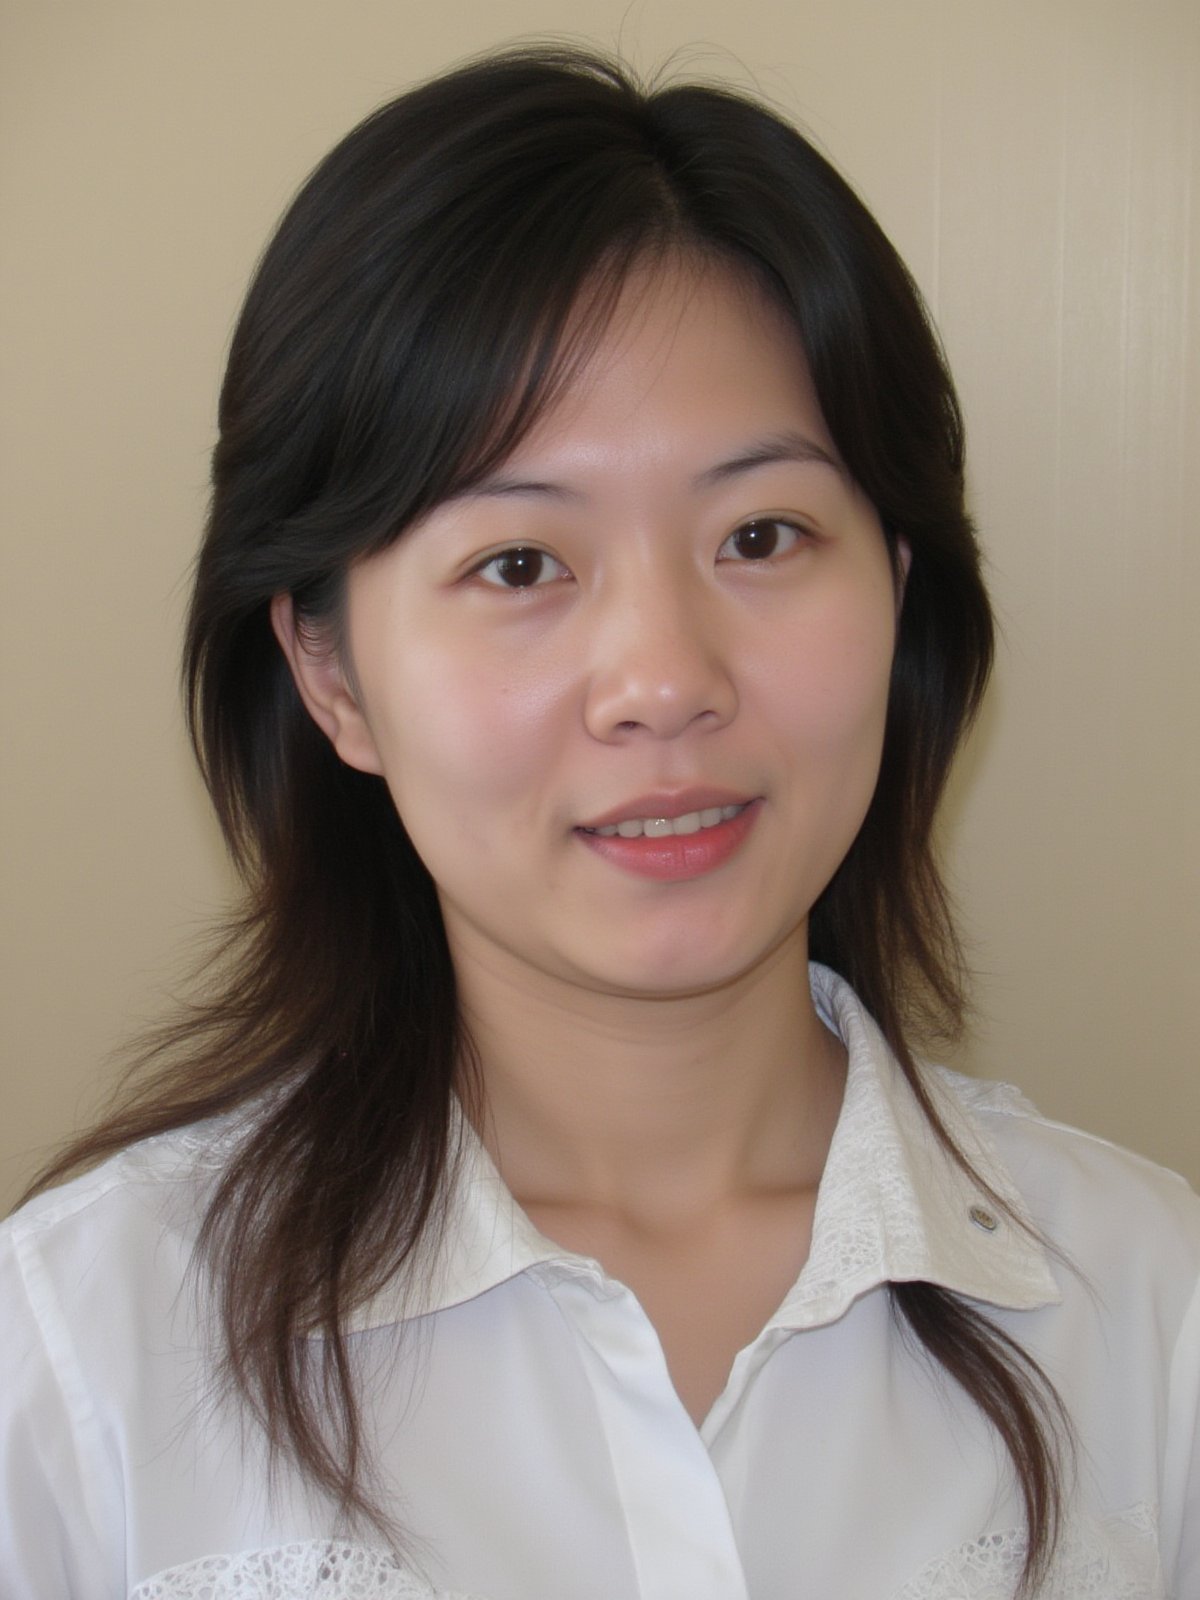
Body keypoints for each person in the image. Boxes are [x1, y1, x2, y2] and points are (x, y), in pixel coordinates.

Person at [1, 45, 1196, 1600]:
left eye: (761, 535)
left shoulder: (1152, 1312)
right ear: (330, 674)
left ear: (897, 604)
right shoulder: (74, 1357)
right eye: (518, 565)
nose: (662, 683)